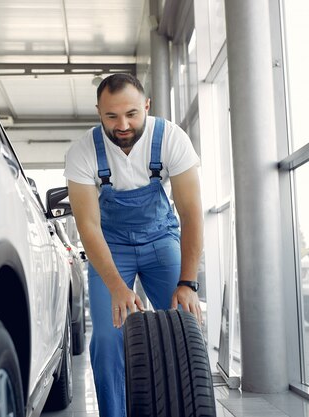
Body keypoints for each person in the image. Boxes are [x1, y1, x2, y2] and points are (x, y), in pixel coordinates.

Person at [63, 73, 204, 417]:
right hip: (111, 249)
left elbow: (190, 212)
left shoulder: (170, 137)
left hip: (161, 240)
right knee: (108, 341)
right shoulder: (83, 152)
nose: (122, 124)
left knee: (188, 326)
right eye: (111, 116)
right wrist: (116, 287)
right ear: (99, 112)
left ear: (146, 106)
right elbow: (88, 227)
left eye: (131, 113)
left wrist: (188, 283)